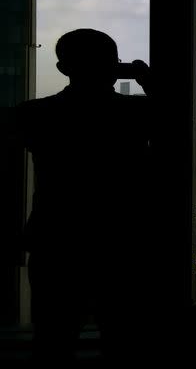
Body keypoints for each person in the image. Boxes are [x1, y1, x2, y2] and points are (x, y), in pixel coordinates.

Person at [12, 28, 153, 361]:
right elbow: (179, 112)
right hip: (120, 244)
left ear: (63, 69)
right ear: (115, 66)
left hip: (55, 243)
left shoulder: (34, 113)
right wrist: (140, 74)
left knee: (53, 341)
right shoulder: (136, 113)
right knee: (124, 340)